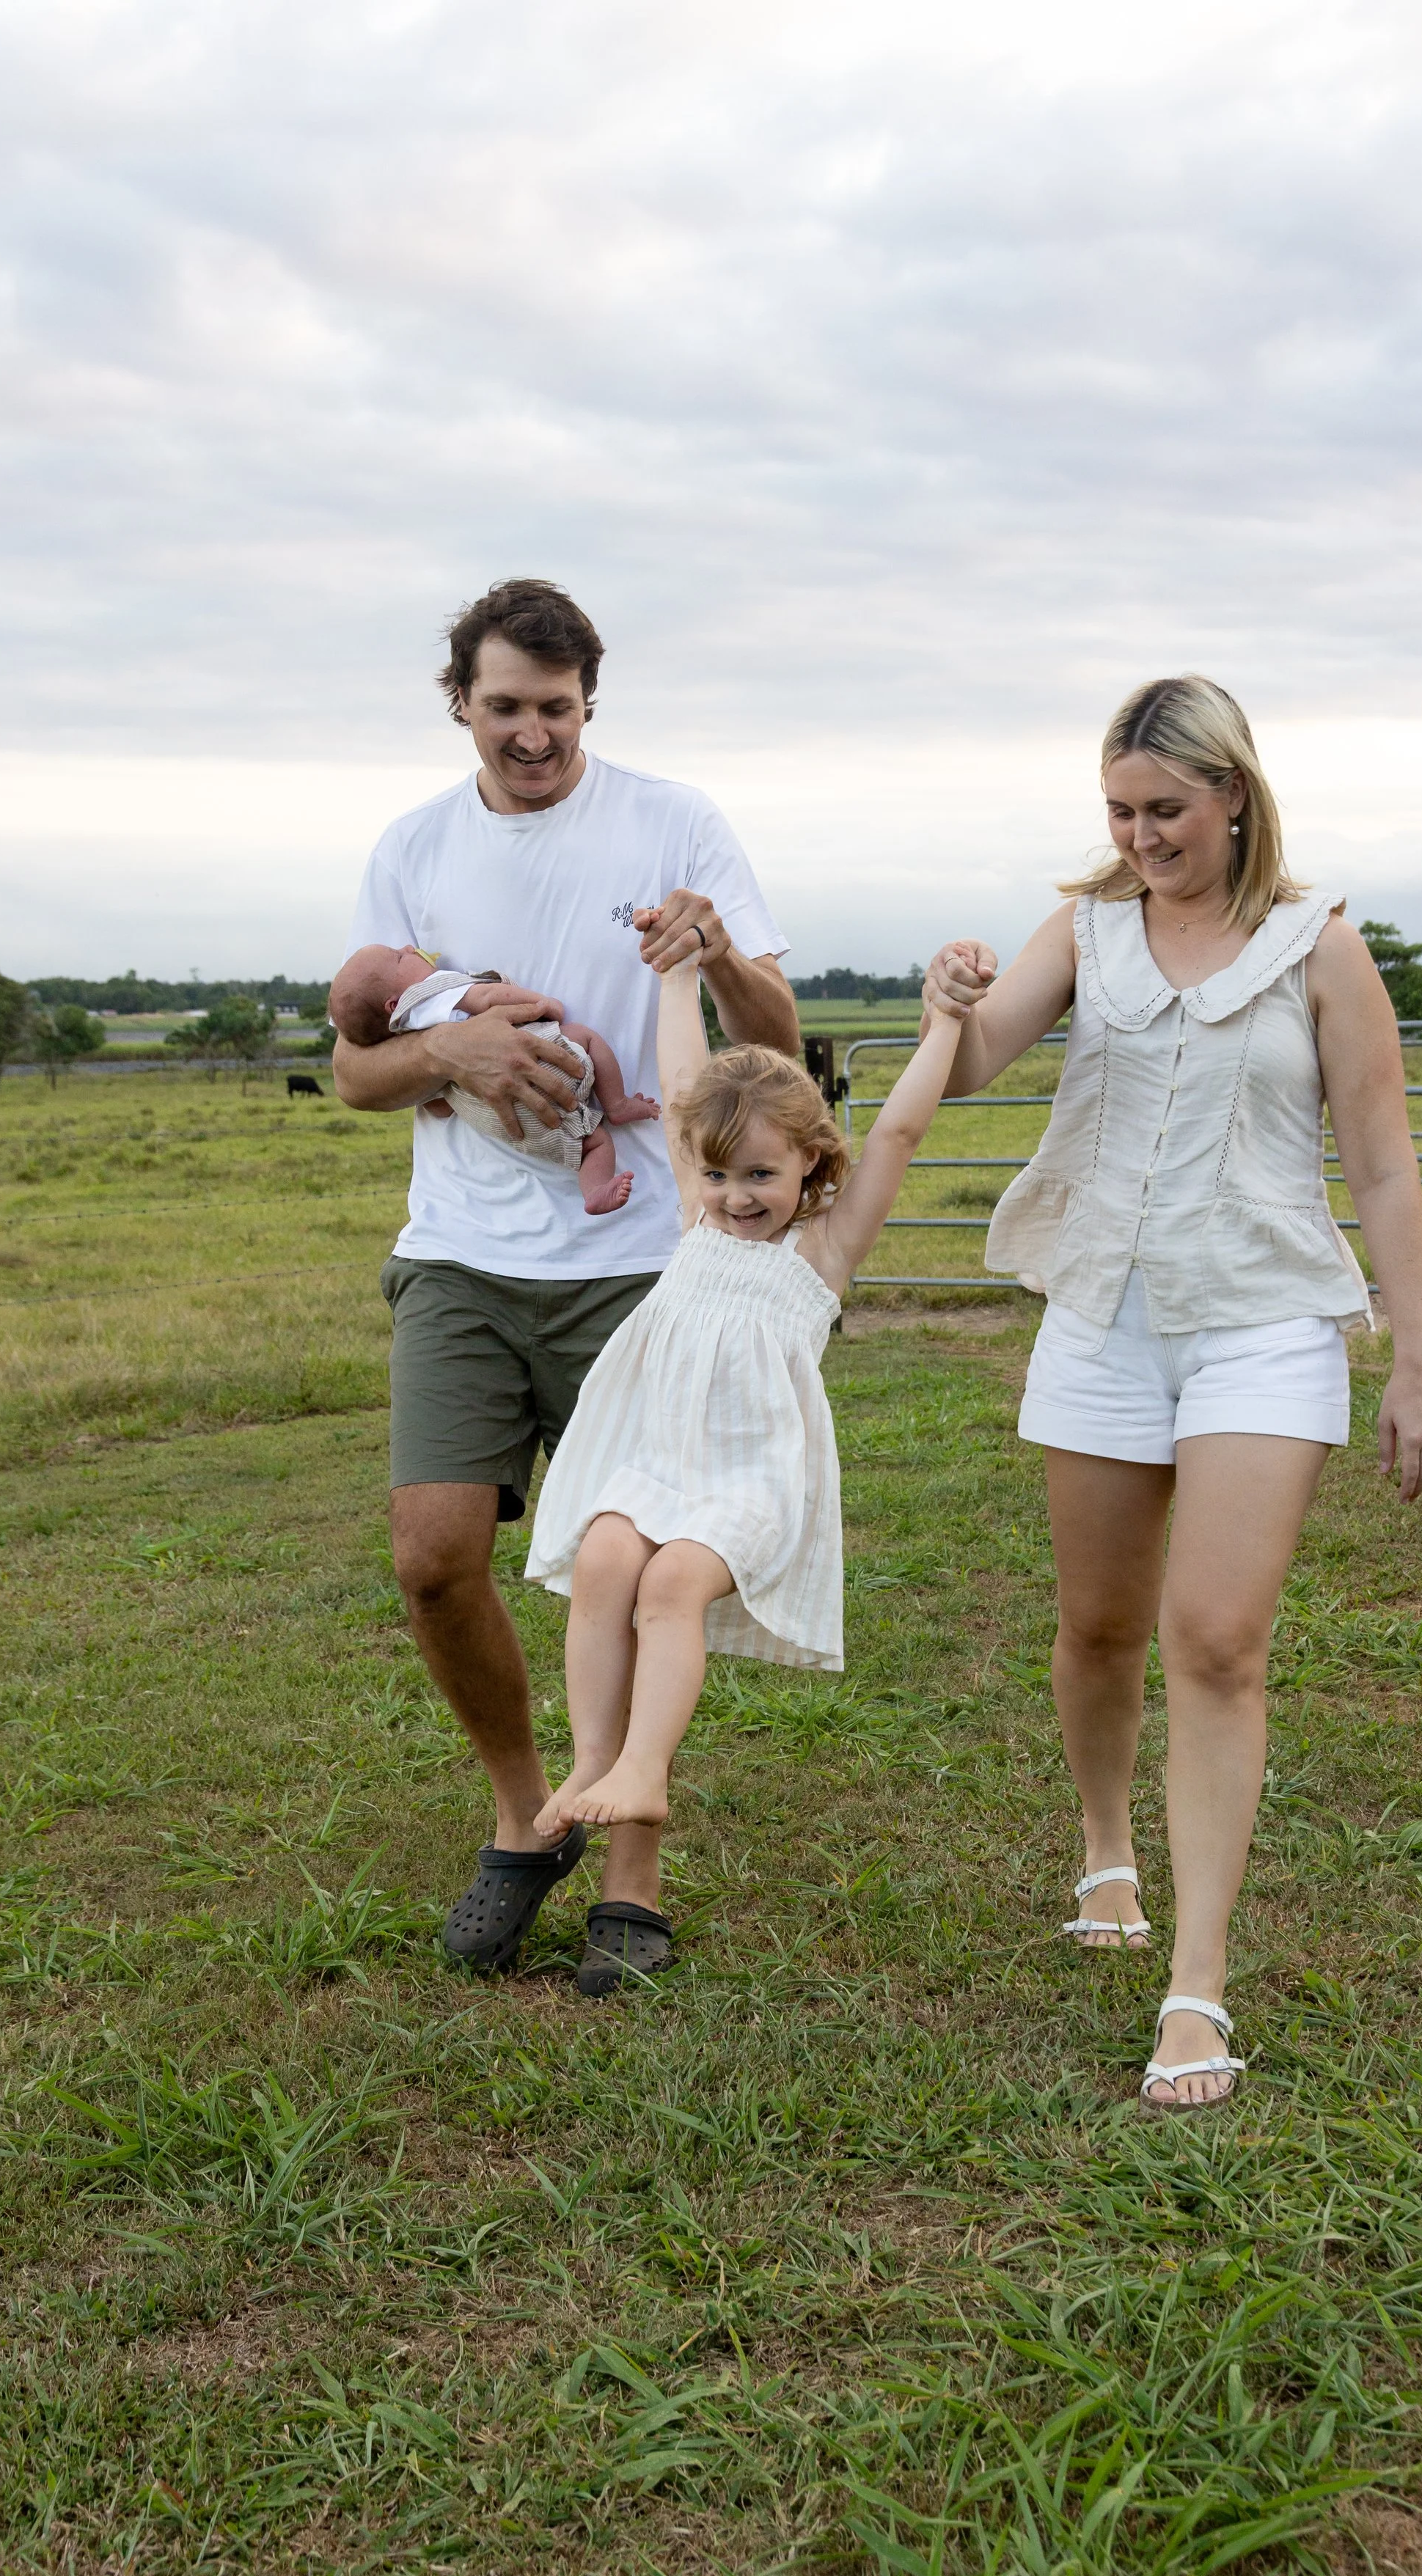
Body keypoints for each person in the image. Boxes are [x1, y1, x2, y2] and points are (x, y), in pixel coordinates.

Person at [923, 674, 1422, 2110]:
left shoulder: (1316, 946)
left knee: (1213, 1638)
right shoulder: (1084, 932)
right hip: (1101, 1317)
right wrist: (948, 998)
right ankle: (1106, 1839)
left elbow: (1384, 1161)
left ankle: (1195, 1988)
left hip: (1264, 1320)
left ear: (1232, 794)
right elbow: (971, 1061)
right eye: (1118, 810)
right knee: (1097, 1626)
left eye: (1165, 808)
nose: (1140, 835)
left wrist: (1413, 1355)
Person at [331, 579, 799, 1960]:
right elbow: (358, 1064)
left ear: (590, 698)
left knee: (636, 1559)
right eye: (504, 706)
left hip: (640, 1256)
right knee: (432, 1558)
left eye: (556, 706)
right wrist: (447, 1051)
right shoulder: (410, 848)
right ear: (459, 701)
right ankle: (529, 1812)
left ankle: (629, 1884)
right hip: (462, 1251)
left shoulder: (675, 821)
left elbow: (772, 1029)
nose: (532, 734)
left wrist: (716, 952)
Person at [451, 950, 963, 1996]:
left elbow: (903, 1129)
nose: (734, 1197)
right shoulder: (693, 1211)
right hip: (656, 1456)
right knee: (603, 1558)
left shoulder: (824, 1249)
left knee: (674, 1585)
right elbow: (686, 1082)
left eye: (761, 1177)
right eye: (720, 1173)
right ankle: (598, 1762)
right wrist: (674, 977)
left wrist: (945, 1022)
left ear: (813, 1167)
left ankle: (645, 1772)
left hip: (751, 1479)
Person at [329, 944, 660, 1215]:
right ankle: (617, 1104)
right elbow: (488, 998)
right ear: (394, 1003)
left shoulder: (402, 1035)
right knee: (586, 1039)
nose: (407, 948)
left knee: (592, 1143)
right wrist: (544, 1005)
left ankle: (594, 1191)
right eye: (399, 957)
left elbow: (440, 1107)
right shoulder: (432, 994)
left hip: (508, 1120)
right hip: (549, 1064)